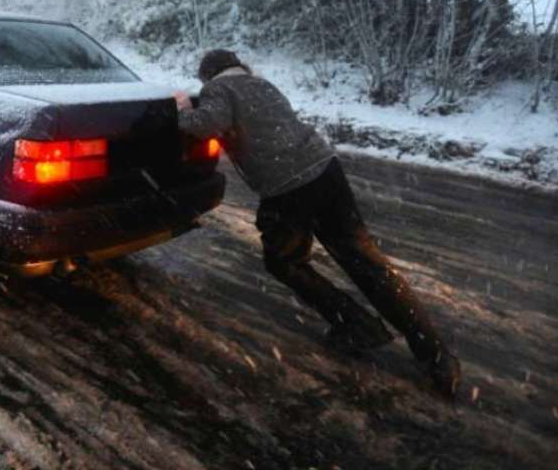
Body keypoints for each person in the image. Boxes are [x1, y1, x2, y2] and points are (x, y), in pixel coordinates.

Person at [175, 49, 461, 399]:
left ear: (209, 74)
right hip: (326, 171)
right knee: (368, 265)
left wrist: (181, 113)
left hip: (287, 187)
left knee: (284, 262)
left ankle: (357, 325)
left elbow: (208, 123)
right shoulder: (262, 84)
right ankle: (438, 358)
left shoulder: (218, 89)